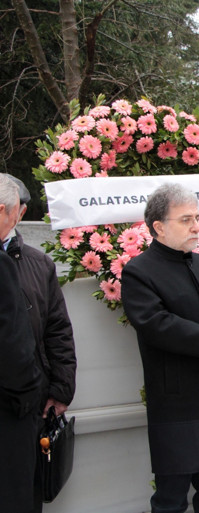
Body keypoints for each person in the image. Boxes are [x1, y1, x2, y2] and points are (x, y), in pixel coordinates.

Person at [122, 184, 199, 513]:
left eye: (198, 218)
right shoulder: (138, 272)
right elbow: (157, 324)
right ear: (159, 226)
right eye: (186, 219)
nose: (196, 226)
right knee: (171, 497)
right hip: (177, 403)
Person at [2, 174, 77, 511]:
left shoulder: (38, 263)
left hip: (29, 405)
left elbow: (58, 329)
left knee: (22, 493)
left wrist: (60, 390)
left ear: (18, 211)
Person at [0, 175, 42, 513]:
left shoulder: (36, 262)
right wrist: (30, 391)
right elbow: (12, 341)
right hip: (9, 408)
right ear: (4, 212)